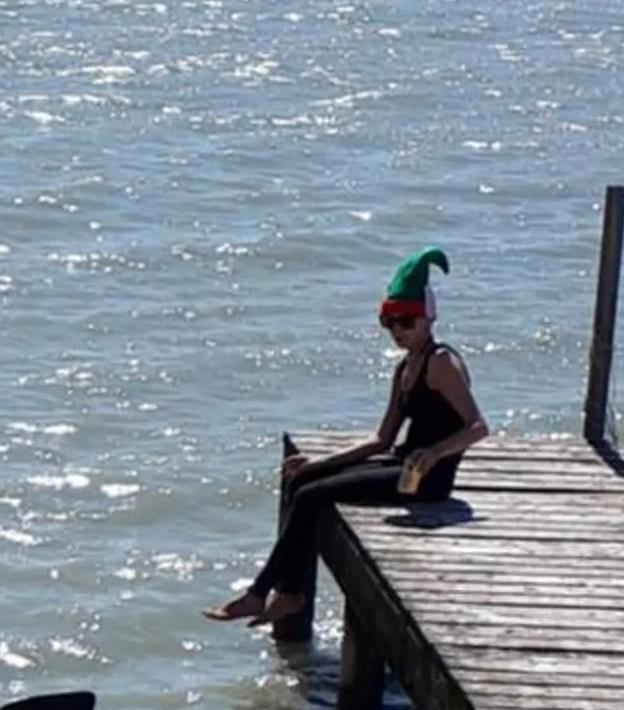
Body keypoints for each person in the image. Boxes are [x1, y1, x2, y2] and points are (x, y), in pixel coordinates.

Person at [206, 245, 488, 630]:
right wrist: (318, 463)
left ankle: (260, 593)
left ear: (428, 318)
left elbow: (478, 427)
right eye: (390, 322)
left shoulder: (442, 364)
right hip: (400, 464)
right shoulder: (406, 368)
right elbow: (381, 440)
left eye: (406, 321)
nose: (397, 332)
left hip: (427, 480)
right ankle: (289, 592)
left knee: (309, 497)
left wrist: (435, 453)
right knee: (303, 479)